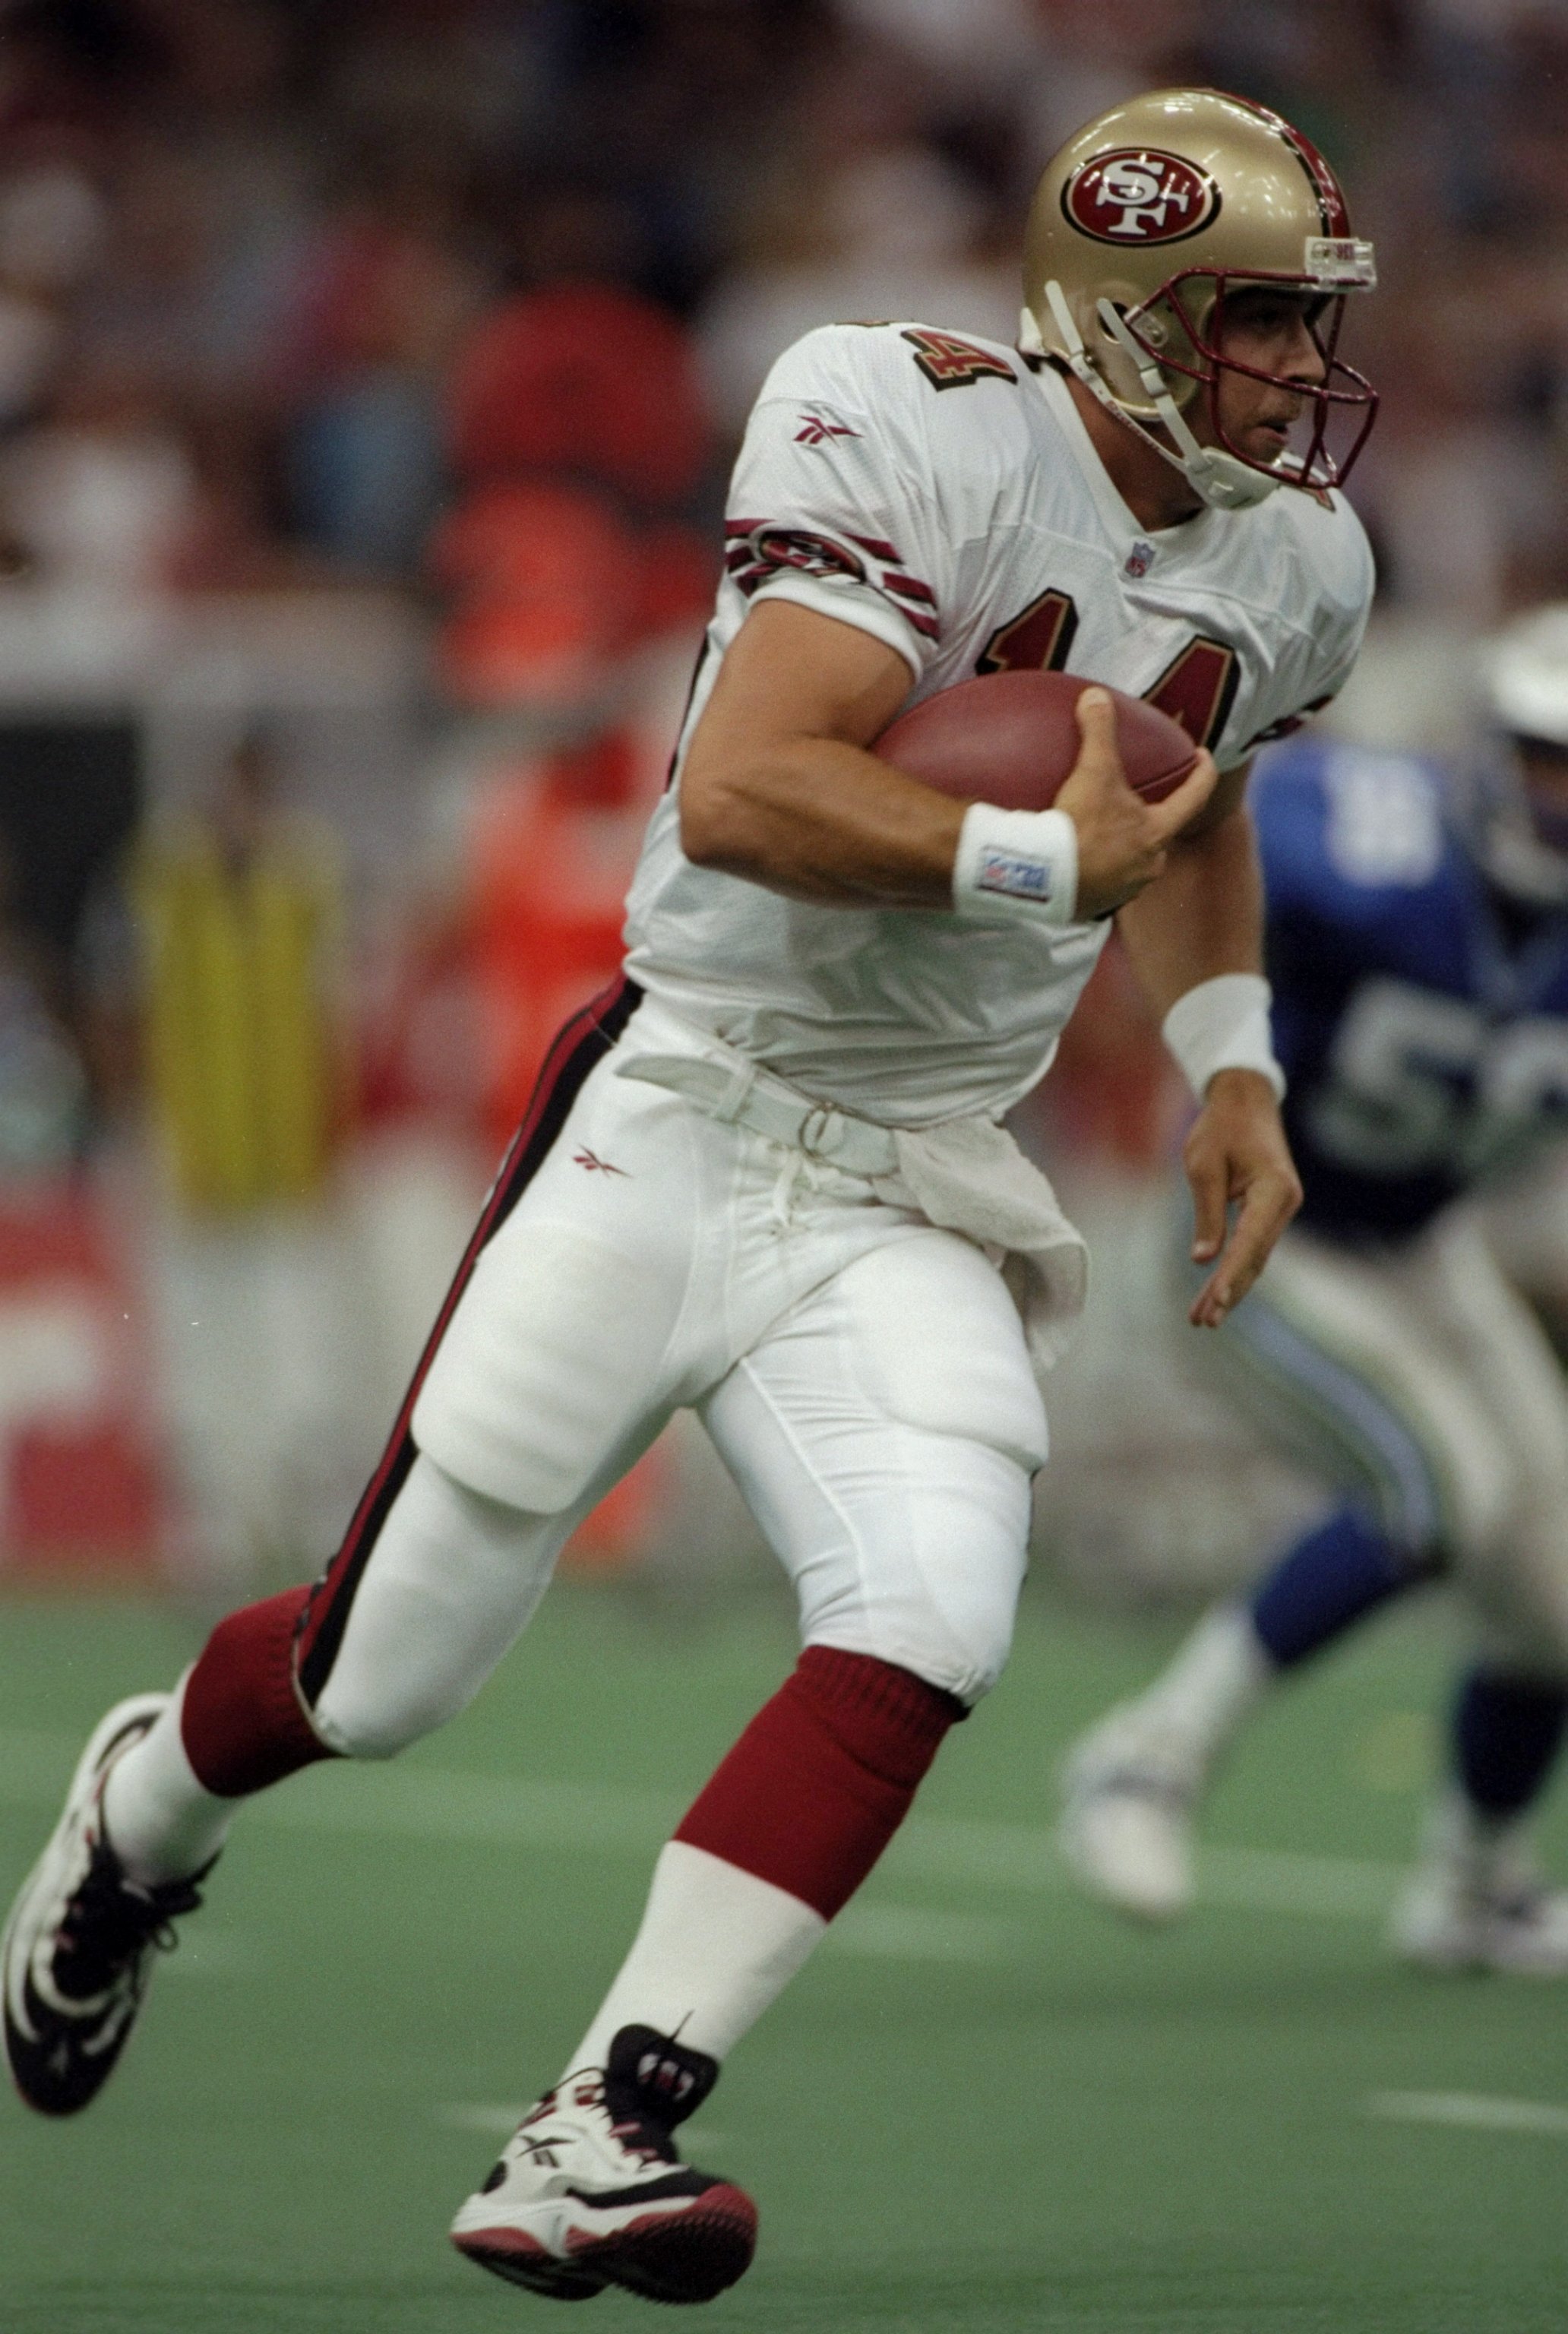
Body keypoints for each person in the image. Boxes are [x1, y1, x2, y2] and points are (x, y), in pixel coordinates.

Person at [2, 90, 1374, 2306]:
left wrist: (1232, 1064)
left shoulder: (1298, 560)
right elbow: (744, 793)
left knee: (934, 1612)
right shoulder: (899, 414)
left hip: (914, 1176)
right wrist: (1035, 861)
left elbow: (1188, 798)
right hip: (689, 1108)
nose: (1305, 373)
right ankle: (137, 1811)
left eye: (1317, 325)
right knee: (385, 1676)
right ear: (1127, 322)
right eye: (1262, 325)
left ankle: (602, 2124)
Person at [1061, 604, 1568, 1976]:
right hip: (1262, 1226)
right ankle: (1149, 1756)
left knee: (1556, 1593)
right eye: (1543, 757)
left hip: (1428, 1243)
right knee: (1446, 1482)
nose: (1556, 797)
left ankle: (1473, 1885)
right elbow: (1184, 845)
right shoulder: (1368, 841)